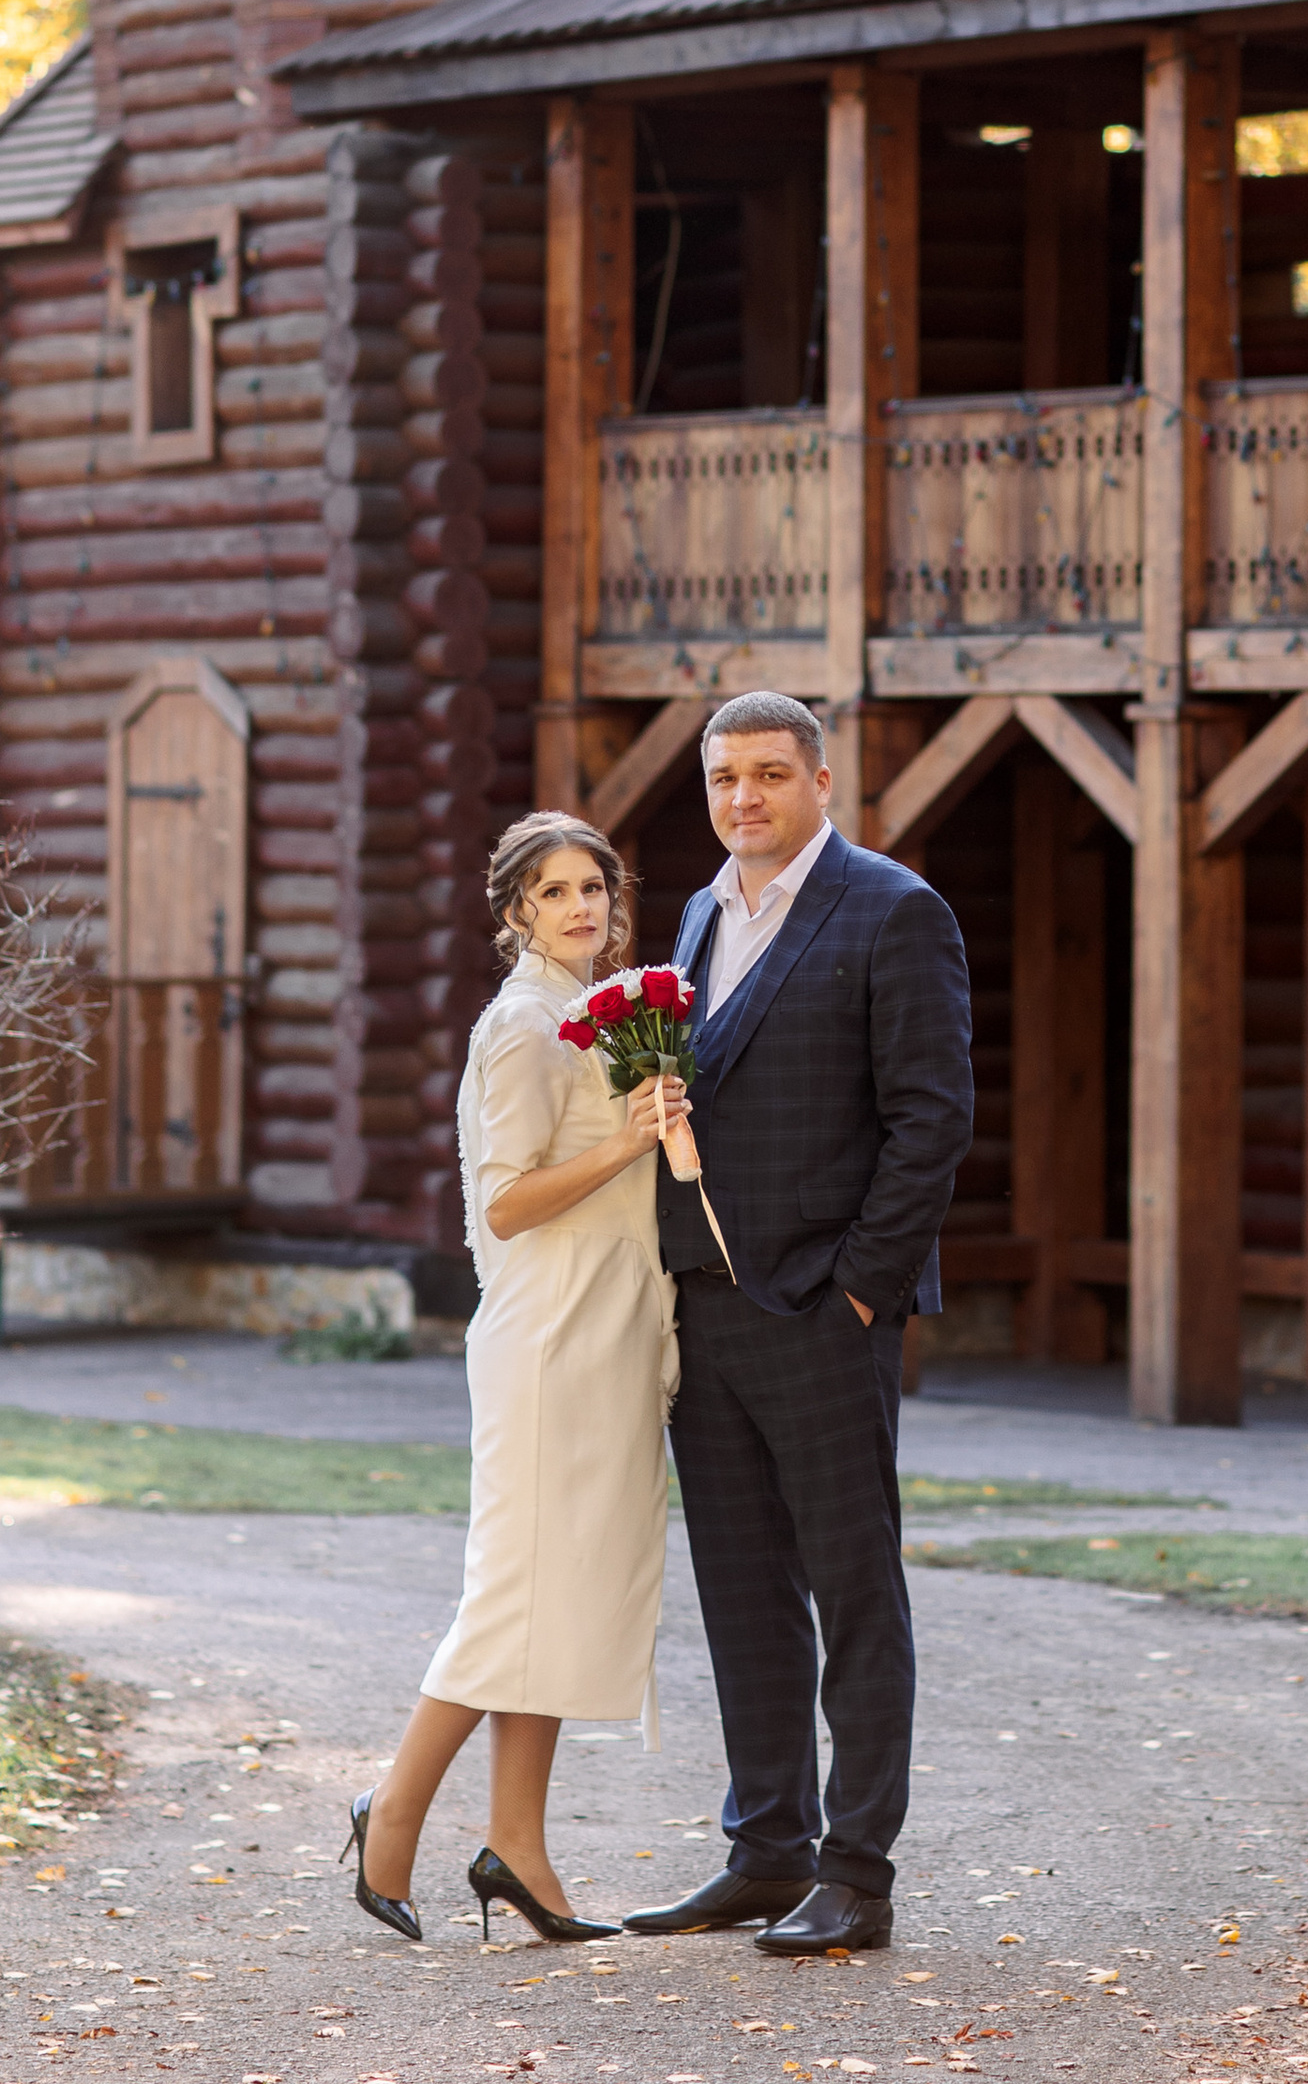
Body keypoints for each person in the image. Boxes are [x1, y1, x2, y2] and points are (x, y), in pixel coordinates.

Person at [627, 692, 973, 1958]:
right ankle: (766, 1850)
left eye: (770, 775)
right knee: (742, 1592)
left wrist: (861, 1291)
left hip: (827, 1312)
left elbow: (932, 1117)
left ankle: (857, 1873)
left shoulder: (894, 910)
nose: (744, 799)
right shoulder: (700, 914)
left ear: (821, 782)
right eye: (725, 777)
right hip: (705, 1312)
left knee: (853, 1591)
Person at [345, 809, 685, 1946]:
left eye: (593, 887)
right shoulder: (527, 1025)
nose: (581, 907)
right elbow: (503, 1202)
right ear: (513, 913)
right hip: (549, 1338)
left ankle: (518, 1849)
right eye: (553, 892)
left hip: (605, 1329)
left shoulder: (599, 1012)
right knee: (512, 1595)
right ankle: (392, 1814)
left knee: (556, 1594)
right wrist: (629, 1140)